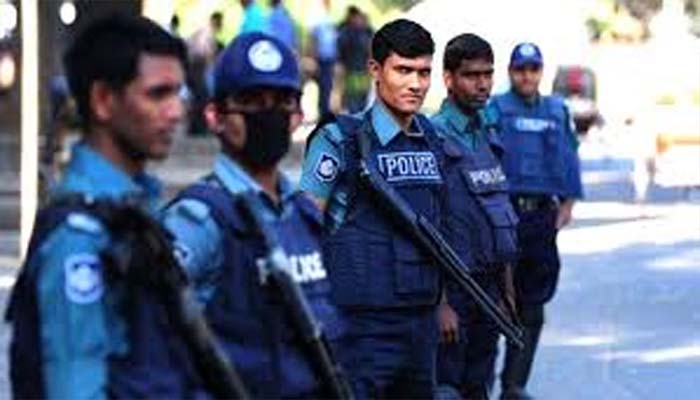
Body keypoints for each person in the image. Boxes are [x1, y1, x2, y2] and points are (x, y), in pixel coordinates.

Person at [5, 14, 196, 398]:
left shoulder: (134, 210)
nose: (175, 112)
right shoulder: (78, 239)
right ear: (103, 101)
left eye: (179, 93)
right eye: (157, 94)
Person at [161, 31, 344, 398]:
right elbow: (151, 343)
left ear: (298, 116)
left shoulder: (304, 215)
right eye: (251, 101)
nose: (268, 114)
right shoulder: (198, 220)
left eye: (281, 101)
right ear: (215, 116)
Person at [301, 18, 443, 399]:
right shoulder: (339, 140)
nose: (416, 84)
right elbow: (302, 230)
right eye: (403, 70)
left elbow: (438, 228)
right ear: (375, 70)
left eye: (424, 72)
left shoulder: (430, 139)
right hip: (359, 328)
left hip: (420, 322)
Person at [490, 42, 583, 400]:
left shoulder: (556, 110)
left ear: (541, 72)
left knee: (533, 309)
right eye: (520, 69)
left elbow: (569, 155)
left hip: (541, 217)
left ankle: (514, 386)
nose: (527, 76)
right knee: (492, 305)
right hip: (503, 216)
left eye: (533, 69)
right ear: (511, 72)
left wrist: (569, 201)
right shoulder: (496, 108)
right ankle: (477, 385)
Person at [432, 33, 519, 400]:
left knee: (479, 386)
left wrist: (507, 292)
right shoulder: (432, 138)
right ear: (449, 79)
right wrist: (441, 305)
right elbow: (425, 230)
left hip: (490, 289)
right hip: (454, 290)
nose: (482, 84)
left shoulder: (487, 133)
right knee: (448, 388)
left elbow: (500, 215)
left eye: (488, 74)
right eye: (471, 75)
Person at [337, 6, 373, 113]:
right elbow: (341, 50)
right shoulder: (346, 32)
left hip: (363, 70)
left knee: (362, 96)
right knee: (353, 97)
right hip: (351, 69)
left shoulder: (367, 33)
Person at [309, 0, 338, 118]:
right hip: (321, 58)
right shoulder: (318, 19)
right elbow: (313, 40)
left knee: (327, 85)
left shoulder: (329, 19)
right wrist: (312, 58)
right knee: (323, 85)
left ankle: (324, 110)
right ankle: (323, 111)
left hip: (329, 57)